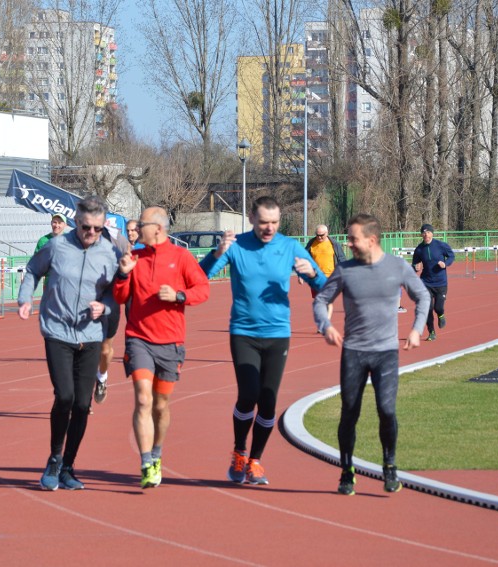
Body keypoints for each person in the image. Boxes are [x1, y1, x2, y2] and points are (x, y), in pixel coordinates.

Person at [200, 196, 326, 485]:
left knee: (268, 402)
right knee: (248, 394)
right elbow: (202, 275)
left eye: (274, 222)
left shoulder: (289, 247)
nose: (269, 228)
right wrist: (218, 252)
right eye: (263, 222)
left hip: (278, 334)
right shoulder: (237, 246)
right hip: (243, 332)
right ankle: (239, 451)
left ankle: (256, 461)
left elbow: (324, 286)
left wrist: (313, 274)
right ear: (251, 219)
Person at [313, 213, 430, 496]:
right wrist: (325, 325)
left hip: (386, 352)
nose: (348, 244)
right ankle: (346, 470)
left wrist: (416, 329)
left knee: (386, 410)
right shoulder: (345, 270)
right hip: (354, 352)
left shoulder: (397, 267)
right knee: (349, 413)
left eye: (353, 239)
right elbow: (321, 299)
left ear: (372, 239)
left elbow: (422, 296)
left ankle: (389, 466)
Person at [17, 196, 119, 491]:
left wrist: (106, 308)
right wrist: (25, 299)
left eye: (98, 229)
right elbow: (33, 270)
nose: (91, 233)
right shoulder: (57, 246)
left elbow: (114, 292)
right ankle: (54, 459)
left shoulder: (109, 253)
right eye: (87, 227)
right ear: (76, 222)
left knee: (83, 403)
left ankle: (68, 466)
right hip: (57, 331)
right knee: (64, 396)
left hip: (90, 335)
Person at [113, 207, 210, 488]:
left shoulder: (181, 257)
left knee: (161, 404)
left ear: (156, 228)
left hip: (171, 342)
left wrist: (179, 295)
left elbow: (202, 289)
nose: (135, 229)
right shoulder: (134, 257)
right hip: (138, 338)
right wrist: (122, 274)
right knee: (143, 399)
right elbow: (120, 297)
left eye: (140, 224)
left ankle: (156, 453)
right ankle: (145, 462)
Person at [93, 224, 131, 405]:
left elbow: (128, 253)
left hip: (110, 302)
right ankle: (81, 396)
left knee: (105, 349)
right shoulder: (79, 240)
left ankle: (101, 378)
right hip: (86, 302)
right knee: (80, 347)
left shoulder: (116, 239)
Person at [412, 224, 454, 342]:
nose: (426, 235)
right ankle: (431, 332)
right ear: (421, 235)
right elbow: (414, 264)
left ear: (432, 233)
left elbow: (451, 256)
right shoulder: (419, 249)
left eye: (428, 232)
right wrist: (415, 267)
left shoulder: (441, 245)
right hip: (425, 282)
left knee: (438, 307)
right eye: (424, 233)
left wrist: (445, 264)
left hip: (441, 283)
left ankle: (441, 315)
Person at [301, 224, 345, 320]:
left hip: (330, 277)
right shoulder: (311, 244)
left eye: (322, 235)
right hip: (315, 277)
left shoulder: (334, 244)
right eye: (317, 235)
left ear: (327, 233)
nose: (319, 237)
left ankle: (325, 322)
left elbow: (342, 259)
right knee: (319, 300)